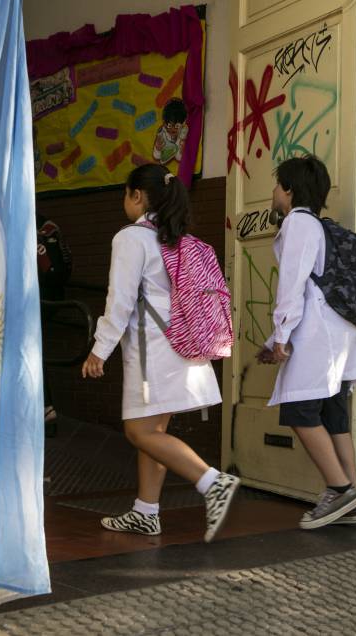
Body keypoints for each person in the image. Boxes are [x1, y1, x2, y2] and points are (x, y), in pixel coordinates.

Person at [82, 163, 239, 542]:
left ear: (137, 196)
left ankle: (212, 482)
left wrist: (99, 350)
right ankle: (146, 511)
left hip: (155, 348)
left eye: (125, 193)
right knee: (155, 430)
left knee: (139, 432)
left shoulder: (132, 238)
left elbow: (119, 301)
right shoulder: (175, 237)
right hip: (182, 341)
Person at [258, 155, 356, 529]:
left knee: (299, 410)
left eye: (277, 185)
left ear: (289, 190)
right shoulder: (320, 227)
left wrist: (282, 337)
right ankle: (354, 499)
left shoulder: (298, 224)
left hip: (318, 334)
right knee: (332, 412)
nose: (274, 192)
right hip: (341, 335)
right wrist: (275, 336)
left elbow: (292, 285)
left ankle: (340, 490)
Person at [36, 214, 72, 436]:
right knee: (34, 351)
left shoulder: (24, 218)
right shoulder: (48, 224)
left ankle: (43, 407)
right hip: (54, 297)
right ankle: (45, 407)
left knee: (28, 351)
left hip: (37, 298)